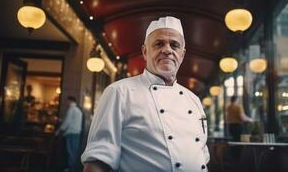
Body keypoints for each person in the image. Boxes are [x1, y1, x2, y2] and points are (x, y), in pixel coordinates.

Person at [81, 16, 210, 172]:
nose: (167, 50)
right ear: (145, 51)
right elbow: (97, 162)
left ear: (182, 55)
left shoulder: (193, 100)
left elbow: (202, 156)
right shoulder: (119, 92)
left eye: (174, 45)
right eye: (159, 44)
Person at [56, 96, 83, 172]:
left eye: (66, 101)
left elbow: (67, 122)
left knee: (71, 151)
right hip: (76, 132)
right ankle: (72, 168)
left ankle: (71, 169)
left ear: (70, 101)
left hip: (71, 133)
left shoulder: (71, 109)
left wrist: (59, 131)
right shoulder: (78, 110)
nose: (66, 103)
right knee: (74, 151)